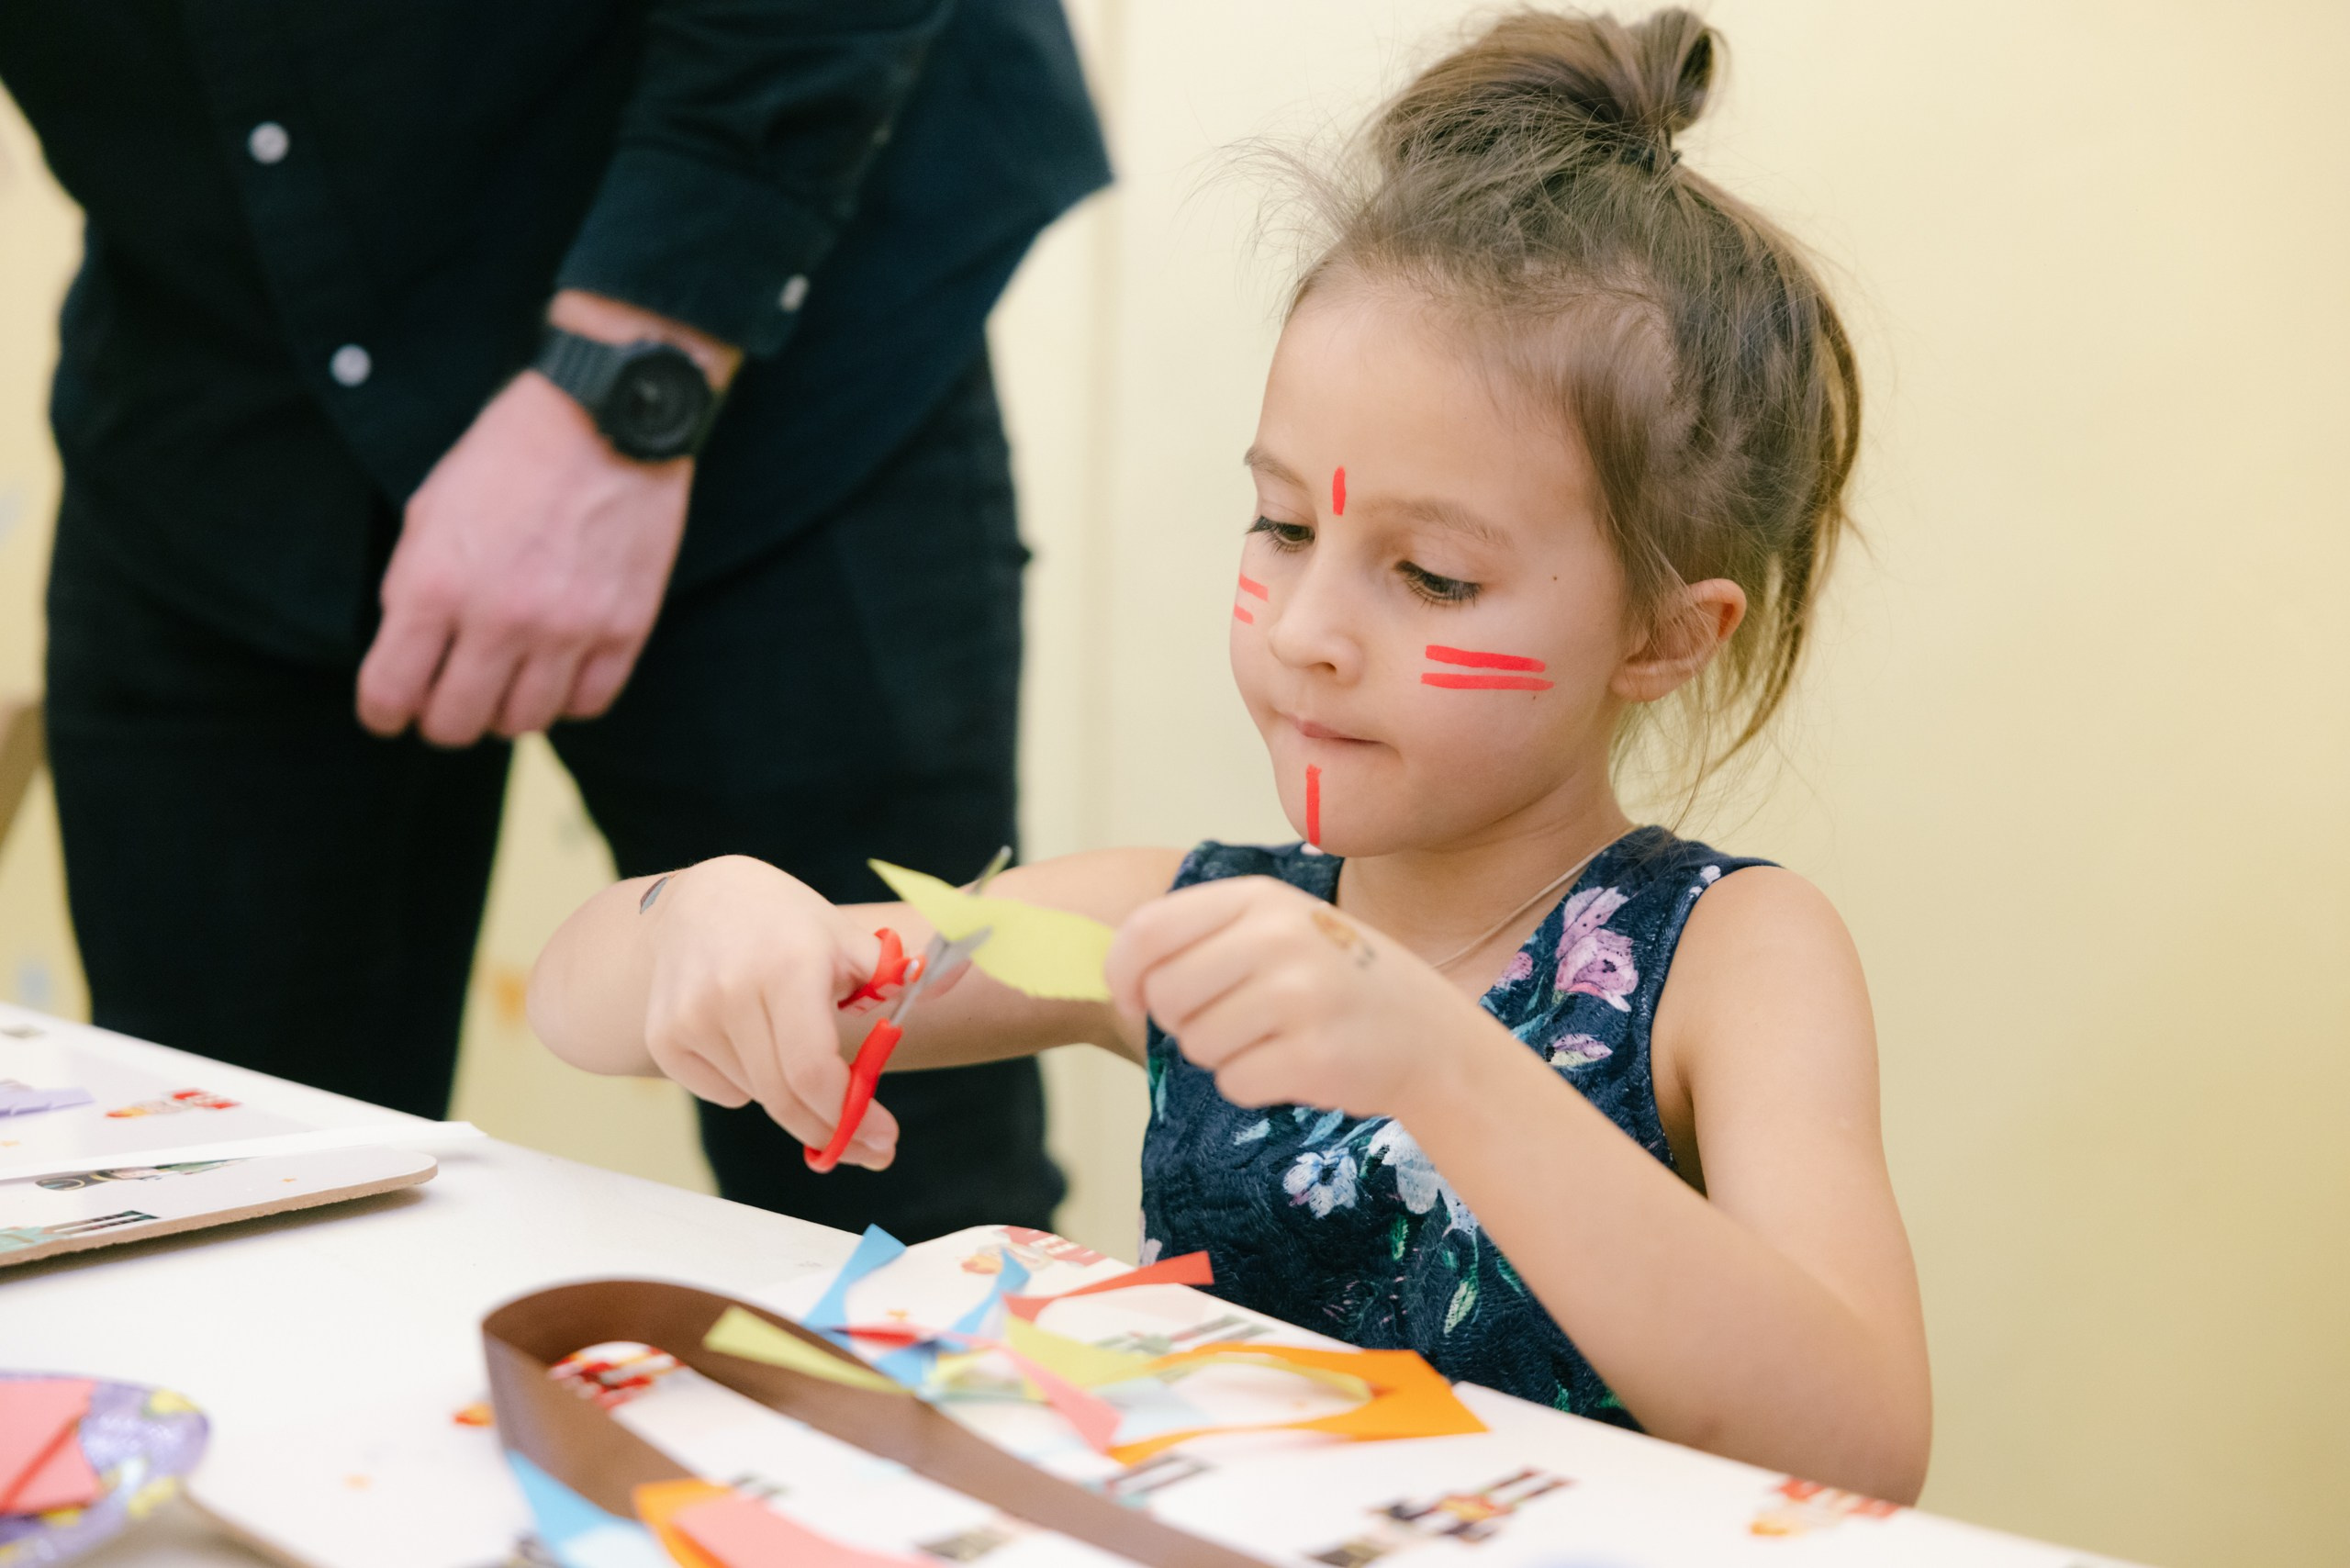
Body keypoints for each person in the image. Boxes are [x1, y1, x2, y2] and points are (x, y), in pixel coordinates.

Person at [527, 6, 1930, 1497]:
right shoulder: (1169, 926)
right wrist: (711, 919)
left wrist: (1437, 1059)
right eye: (1284, 524)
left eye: (1433, 577)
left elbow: (1861, 1442)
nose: (1311, 628)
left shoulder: (1731, 956)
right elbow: (580, 1002)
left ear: (1664, 635)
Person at [2, 0, 1107, 1240]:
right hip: (223, 387)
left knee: (907, 1223)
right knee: (213, 1195)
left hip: (791, 340)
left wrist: (625, 391)